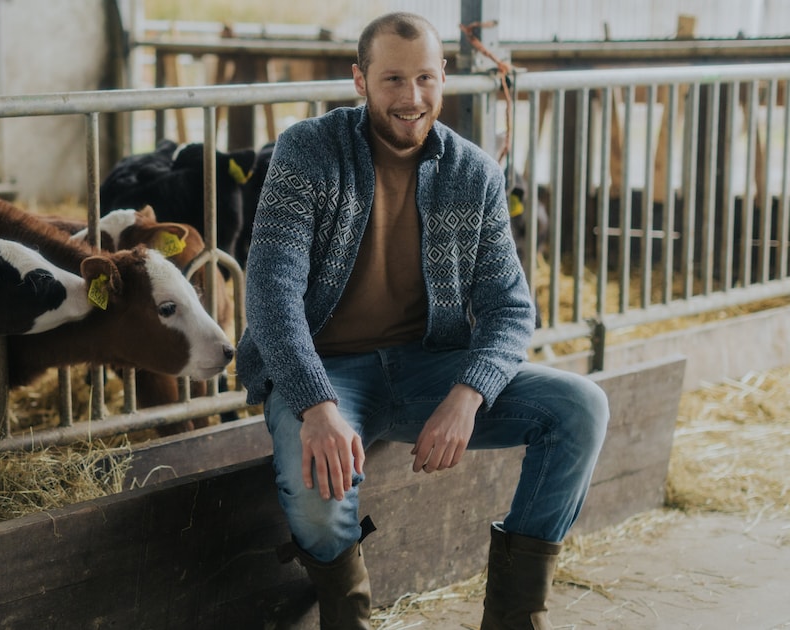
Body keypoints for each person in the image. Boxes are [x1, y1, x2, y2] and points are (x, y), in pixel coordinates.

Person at [235, 12, 609, 630]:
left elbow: (510, 309)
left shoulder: (475, 174)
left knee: (581, 408)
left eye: (426, 78)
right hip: (326, 374)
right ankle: (347, 617)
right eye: (392, 80)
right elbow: (272, 295)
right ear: (359, 80)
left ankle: (514, 617)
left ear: (443, 79)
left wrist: (468, 395)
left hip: (427, 370)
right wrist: (316, 407)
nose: (411, 99)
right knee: (318, 499)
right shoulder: (308, 151)